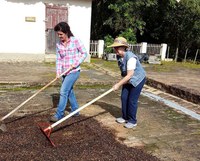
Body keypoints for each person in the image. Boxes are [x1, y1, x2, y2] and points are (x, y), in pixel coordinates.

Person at [50, 22, 87, 122]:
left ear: (66, 32)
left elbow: (84, 53)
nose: (59, 36)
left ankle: (59, 114)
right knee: (69, 91)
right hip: (64, 72)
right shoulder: (59, 45)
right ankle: (75, 110)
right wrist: (58, 72)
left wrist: (76, 63)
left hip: (74, 71)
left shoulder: (75, 41)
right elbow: (59, 59)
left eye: (61, 34)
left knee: (63, 91)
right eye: (58, 34)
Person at [108, 37, 146, 128]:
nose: (115, 49)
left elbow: (130, 75)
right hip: (128, 78)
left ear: (123, 47)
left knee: (132, 100)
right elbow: (124, 72)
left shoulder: (130, 57)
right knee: (124, 97)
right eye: (114, 48)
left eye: (117, 47)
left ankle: (132, 120)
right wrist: (122, 81)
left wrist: (118, 84)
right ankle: (125, 117)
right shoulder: (119, 56)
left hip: (138, 79)